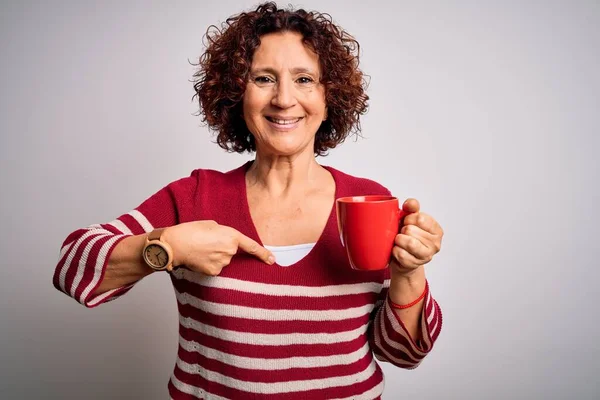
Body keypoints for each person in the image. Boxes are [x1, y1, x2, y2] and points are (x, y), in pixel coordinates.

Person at [53, 2, 444, 399]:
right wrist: (168, 246)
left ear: (330, 97)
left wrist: (408, 272)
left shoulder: (368, 203)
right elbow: (72, 269)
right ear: (236, 95)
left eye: (305, 79)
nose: (284, 99)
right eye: (263, 79)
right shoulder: (195, 197)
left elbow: (402, 352)